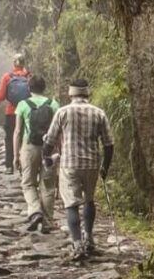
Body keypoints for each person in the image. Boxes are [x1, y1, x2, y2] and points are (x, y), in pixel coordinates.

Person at [42, 78, 114, 260]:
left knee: (71, 204)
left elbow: (50, 139)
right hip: (92, 164)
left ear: (71, 93)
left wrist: (46, 157)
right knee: (89, 200)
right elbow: (108, 144)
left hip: (69, 164)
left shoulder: (62, 112)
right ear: (87, 93)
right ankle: (89, 239)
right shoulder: (99, 113)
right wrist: (105, 166)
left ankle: (77, 244)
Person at [13, 74, 60, 233]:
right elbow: (58, 132)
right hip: (49, 148)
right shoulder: (53, 104)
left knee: (28, 183)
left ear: (29, 88)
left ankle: (35, 212)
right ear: (44, 87)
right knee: (48, 185)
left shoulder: (23, 105)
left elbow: (18, 132)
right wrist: (59, 151)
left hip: (29, 147)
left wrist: (15, 155)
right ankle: (47, 220)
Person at [0, 53, 31, 174]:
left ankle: (9, 166)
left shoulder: (7, 77)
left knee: (9, 139)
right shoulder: (29, 76)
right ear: (24, 63)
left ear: (13, 63)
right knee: (25, 138)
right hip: (26, 112)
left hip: (11, 112)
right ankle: (24, 166)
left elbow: (0, 97)